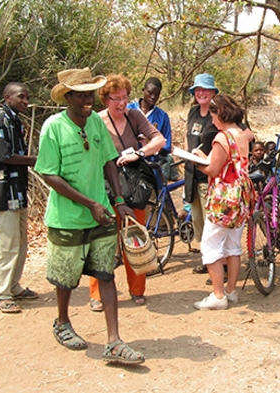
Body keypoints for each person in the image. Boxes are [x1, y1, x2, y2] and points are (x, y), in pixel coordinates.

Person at [35, 67, 144, 364]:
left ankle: (114, 341)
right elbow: (49, 174)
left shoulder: (96, 122)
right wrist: (89, 204)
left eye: (90, 94)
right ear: (68, 97)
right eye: (81, 95)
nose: (87, 100)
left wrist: (117, 199)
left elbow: (109, 160)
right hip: (67, 218)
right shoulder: (53, 127)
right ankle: (62, 322)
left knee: (106, 274)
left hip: (101, 216)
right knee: (65, 279)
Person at [88, 74, 165, 311]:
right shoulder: (96, 121)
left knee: (135, 237)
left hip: (132, 187)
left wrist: (139, 153)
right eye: (115, 99)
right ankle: (97, 294)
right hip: (105, 187)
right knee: (103, 241)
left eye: (124, 97)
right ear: (105, 99)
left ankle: (137, 289)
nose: (121, 103)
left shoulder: (134, 116)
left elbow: (159, 140)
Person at [191, 94, 254, 310]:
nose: (212, 120)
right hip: (239, 198)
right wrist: (205, 156)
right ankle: (231, 291)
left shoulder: (222, 138)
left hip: (223, 199)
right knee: (233, 245)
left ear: (220, 113)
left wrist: (197, 163)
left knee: (210, 245)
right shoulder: (241, 134)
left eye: (213, 114)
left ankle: (218, 295)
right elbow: (229, 161)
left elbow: (213, 169)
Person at [0, 82, 38, 314]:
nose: (25, 101)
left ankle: (14, 285)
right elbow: (3, 156)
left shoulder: (16, 122)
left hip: (18, 191)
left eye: (27, 97)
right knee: (7, 244)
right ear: (7, 97)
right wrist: (35, 160)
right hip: (3, 193)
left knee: (21, 242)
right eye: (21, 97)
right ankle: (1, 292)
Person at [184, 73, 221, 274]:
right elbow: (186, 136)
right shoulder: (192, 112)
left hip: (209, 175)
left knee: (212, 222)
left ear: (213, 92)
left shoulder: (218, 114)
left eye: (205, 89)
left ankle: (220, 265)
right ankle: (207, 260)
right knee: (197, 219)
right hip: (191, 173)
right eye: (198, 89)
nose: (201, 93)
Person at [127, 77, 177, 185]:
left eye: (156, 94)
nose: (153, 97)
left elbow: (166, 146)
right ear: (143, 90)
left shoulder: (162, 116)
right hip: (129, 164)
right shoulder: (128, 110)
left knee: (154, 198)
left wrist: (151, 144)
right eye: (150, 93)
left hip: (152, 166)